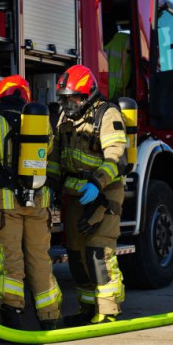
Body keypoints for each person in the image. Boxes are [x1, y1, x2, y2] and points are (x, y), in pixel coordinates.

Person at [0, 75, 62, 331]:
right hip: (39, 203)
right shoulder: (41, 125)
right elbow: (49, 156)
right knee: (40, 259)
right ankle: (50, 318)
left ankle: (12, 320)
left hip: (6, 206)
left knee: (10, 260)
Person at [47, 64, 127, 325]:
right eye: (65, 99)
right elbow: (57, 157)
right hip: (75, 196)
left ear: (88, 94)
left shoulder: (107, 114)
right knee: (77, 255)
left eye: (74, 98)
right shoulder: (65, 118)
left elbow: (116, 159)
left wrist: (96, 184)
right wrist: (51, 184)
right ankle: (87, 309)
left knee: (98, 253)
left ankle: (108, 311)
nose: (69, 104)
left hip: (104, 194)